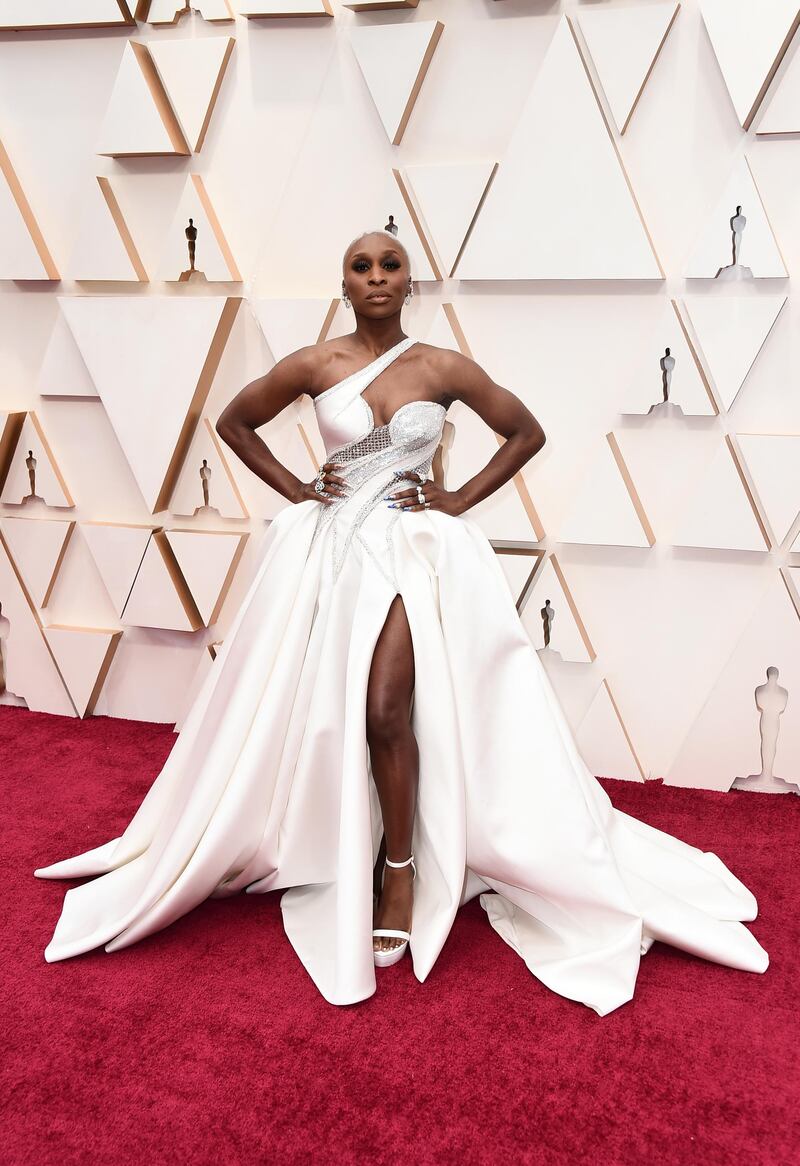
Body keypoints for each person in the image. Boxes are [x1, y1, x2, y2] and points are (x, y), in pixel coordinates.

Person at [34, 230, 769, 1015]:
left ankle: (400, 870)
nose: (377, 277)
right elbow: (235, 423)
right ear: (344, 283)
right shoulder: (317, 364)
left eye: (390, 265)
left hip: (415, 550)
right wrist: (297, 490)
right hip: (330, 555)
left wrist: (455, 500)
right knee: (313, 709)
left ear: (408, 283)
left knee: (385, 709)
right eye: (361, 266)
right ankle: (318, 834)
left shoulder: (439, 367)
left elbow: (526, 433)